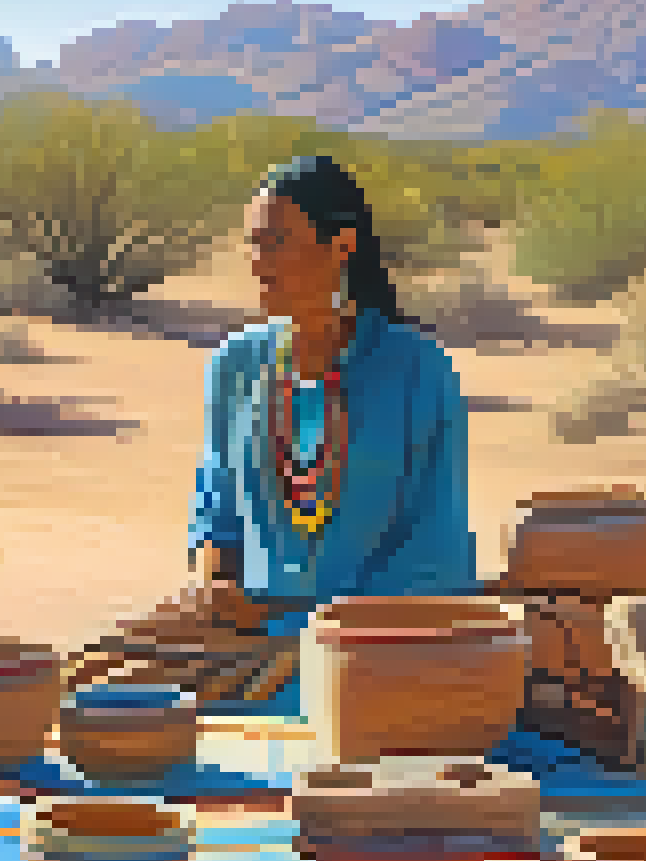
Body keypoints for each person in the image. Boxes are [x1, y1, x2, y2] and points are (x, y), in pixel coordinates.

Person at [65, 155, 478, 715]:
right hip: (248, 628)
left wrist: (313, 631)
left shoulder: (418, 370)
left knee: (253, 705)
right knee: (94, 678)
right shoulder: (237, 364)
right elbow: (214, 506)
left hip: (376, 641)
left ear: (342, 246)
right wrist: (212, 583)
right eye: (253, 245)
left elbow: (437, 555)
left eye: (277, 243)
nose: (259, 264)